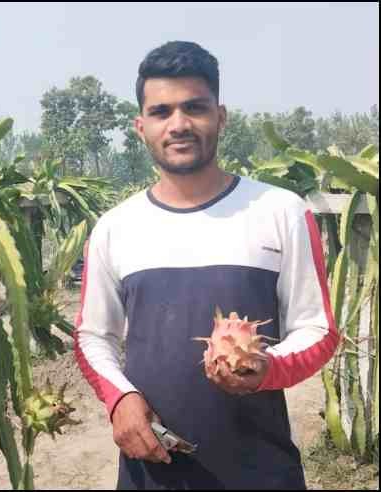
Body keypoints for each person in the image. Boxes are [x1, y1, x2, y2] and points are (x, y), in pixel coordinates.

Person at [73, 40, 338, 489]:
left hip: (261, 473)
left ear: (221, 116)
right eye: (161, 112)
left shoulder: (279, 211)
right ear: (141, 126)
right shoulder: (116, 228)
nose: (178, 124)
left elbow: (319, 329)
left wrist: (266, 371)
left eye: (194, 107)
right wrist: (120, 399)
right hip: (151, 472)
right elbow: (92, 336)